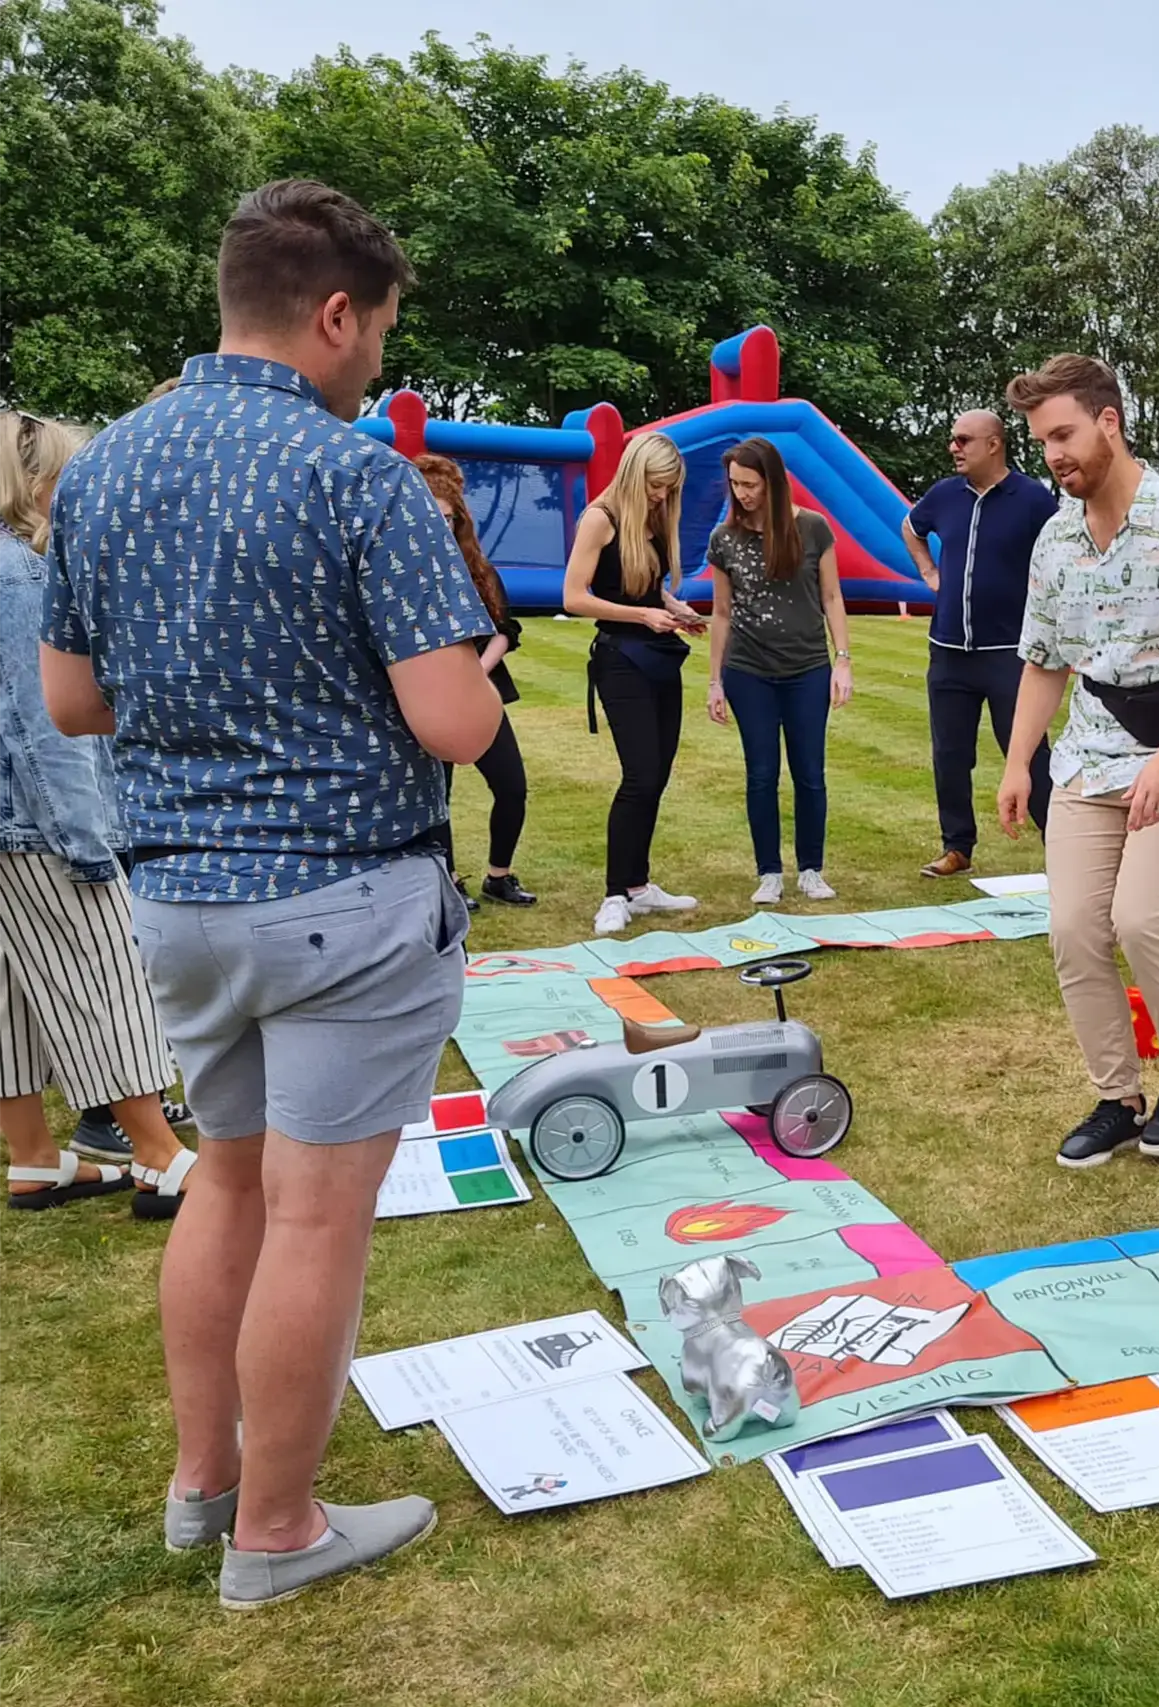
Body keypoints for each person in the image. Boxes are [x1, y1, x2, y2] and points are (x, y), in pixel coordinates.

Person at [42, 179, 502, 1607]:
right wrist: (471, 678)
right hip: (345, 899)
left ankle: (206, 1482)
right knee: (313, 1216)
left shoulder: (105, 465)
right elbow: (451, 726)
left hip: (179, 899)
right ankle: (279, 1526)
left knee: (225, 1183)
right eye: (377, 333)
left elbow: (72, 699)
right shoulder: (356, 471)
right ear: (336, 312)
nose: (376, 362)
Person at [999, 355, 1159, 1168]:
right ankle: (1117, 1096)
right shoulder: (1054, 536)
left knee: (1140, 919)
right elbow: (1042, 660)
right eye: (1042, 441)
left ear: (1109, 422)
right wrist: (1017, 764)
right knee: (1076, 928)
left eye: (1065, 434)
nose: (1054, 455)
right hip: (1089, 755)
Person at [2, 411, 194, 1215]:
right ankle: (159, 1155)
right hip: (36, 829)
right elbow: (42, 723)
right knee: (106, 978)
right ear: (37, 483)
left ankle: (35, 1159)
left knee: (9, 999)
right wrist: (88, 843)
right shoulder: (19, 576)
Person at [902, 409, 1058, 878]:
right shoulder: (944, 495)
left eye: (963, 439)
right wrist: (929, 572)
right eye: (953, 439)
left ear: (994, 444)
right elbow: (911, 528)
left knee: (1028, 751)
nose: (954, 447)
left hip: (1009, 654)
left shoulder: (1032, 499)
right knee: (949, 753)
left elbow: (1061, 551)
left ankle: (1063, 843)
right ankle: (957, 846)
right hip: (948, 650)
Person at [564, 433, 703, 937]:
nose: (663, 496)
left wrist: (672, 607)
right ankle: (614, 894)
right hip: (620, 659)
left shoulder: (653, 520)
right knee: (640, 776)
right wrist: (643, 615)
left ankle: (640, 885)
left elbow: (647, 584)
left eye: (669, 488)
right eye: (656, 485)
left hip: (659, 657)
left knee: (658, 774)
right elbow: (575, 597)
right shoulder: (600, 519)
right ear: (633, 474)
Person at [703, 437, 853, 906]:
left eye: (750, 484)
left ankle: (811, 868)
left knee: (810, 772)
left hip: (807, 667)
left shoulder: (812, 529)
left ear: (772, 482)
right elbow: (721, 612)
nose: (743, 493)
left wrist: (842, 660)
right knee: (761, 773)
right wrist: (715, 680)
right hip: (749, 671)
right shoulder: (724, 538)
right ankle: (769, 871)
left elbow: (831, 598)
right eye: (735, 485)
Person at [414, 454, 537, 910]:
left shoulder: (477, 567)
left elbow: (505, 629)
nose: (441, 525)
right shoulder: (402, 569)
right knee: (435, 797)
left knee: (511, 785)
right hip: (426, 696)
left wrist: (475, 674)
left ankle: (499, 876)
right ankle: (446, 881)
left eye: (449, 517)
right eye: (432, 515)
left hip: (479, 690)